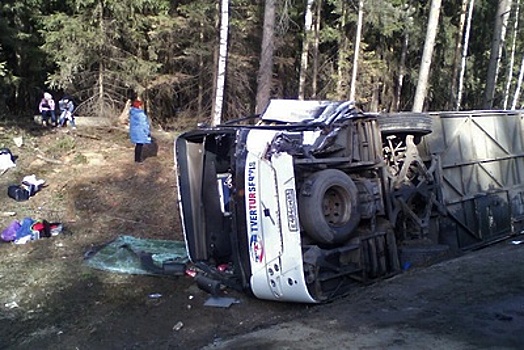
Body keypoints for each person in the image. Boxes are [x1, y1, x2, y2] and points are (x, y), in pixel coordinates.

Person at [129, 99, 152, 163]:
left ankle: (136, 159)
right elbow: (144, 123)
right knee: (140, 145)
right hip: (140, 131)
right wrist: (147, 131)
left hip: (135, 131)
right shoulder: (140, 114)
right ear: (138, 106)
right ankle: (138, 160)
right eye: (140, 105)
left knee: (137, 145)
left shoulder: (132, 112)